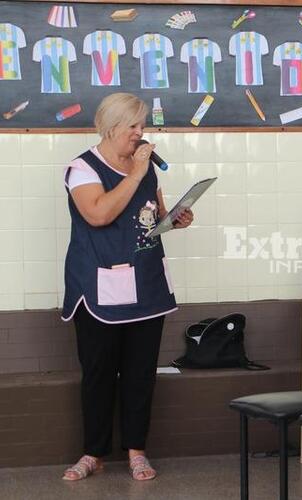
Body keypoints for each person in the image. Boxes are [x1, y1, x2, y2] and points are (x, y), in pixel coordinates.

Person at [60, 93, 193, 481]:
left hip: (147, 284)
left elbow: (155, 217)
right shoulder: (81, 168)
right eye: (133, 126)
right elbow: (98, 214)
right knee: (99, 373)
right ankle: (93, 453)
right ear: (111, 127)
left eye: (142, 125)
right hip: (99, 287)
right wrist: (135, 172)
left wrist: (175, 219)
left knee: (140, 373)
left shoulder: (146, 168)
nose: (140, 133)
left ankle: (137, 451)